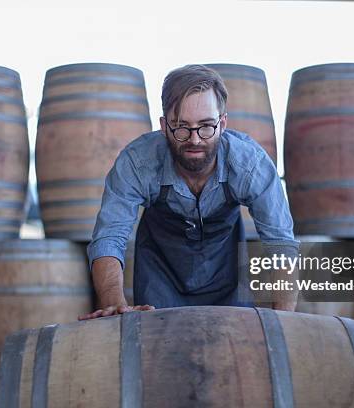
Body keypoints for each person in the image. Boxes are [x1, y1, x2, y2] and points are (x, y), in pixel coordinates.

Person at [79, 64, 299, 320]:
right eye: (181, 127)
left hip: (227, 273)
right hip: (160, 275)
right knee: (158, 350)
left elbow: (281, 244)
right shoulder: (137, 163)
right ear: (164, 126)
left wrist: (284, 321)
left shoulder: (250, 165)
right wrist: (114, 304)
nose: (195, 140)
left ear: (223, 123)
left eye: (206, 126)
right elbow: (109, 237)